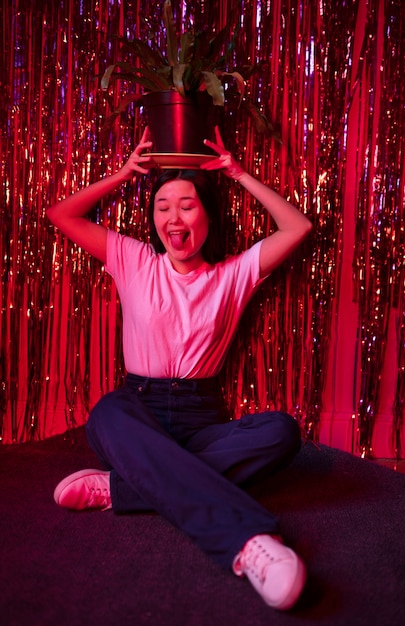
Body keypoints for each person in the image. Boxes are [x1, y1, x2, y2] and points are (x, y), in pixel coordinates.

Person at [48, 126, 313, 611]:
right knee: (107, 413)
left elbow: (297, 228)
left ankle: (121, 489)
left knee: (280, 432)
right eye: (163, 206)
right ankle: (249, 542)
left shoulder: (234, 274)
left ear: (207, 214)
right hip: (138, 414)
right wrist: (123, 174)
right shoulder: (133, 259)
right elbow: (60, 214)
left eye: (187, 205)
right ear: (153, 219)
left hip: (200, 419)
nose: (174, 217)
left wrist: (239, 173)